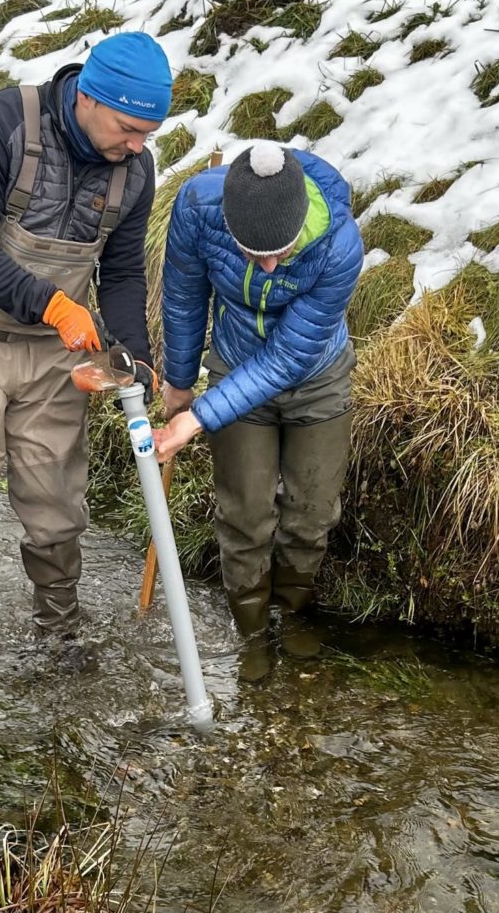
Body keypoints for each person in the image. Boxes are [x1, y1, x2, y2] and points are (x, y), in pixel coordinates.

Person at [0, 31, 172, 643]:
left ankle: (58, 634)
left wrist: (134, 351)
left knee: (57, 511)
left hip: (55, 355)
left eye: (148, 135)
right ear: (89, 98)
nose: (138, 145)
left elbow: (123, 271)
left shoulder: (134, 170)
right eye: (130, 128)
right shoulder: (0, 123)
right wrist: (53, 304)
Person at [153, 142, 363, 681]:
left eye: (282, 252)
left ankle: (291, 615)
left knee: (311, 512)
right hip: (234, 361)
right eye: (254, 253)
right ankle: (250, 631)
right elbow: (183, 294)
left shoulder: (340, 244)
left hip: (316, 378)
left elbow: (291, 355)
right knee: (245, 515)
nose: (268, 266)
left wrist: (196, 419)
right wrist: (179, 384)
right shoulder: (199, 208)